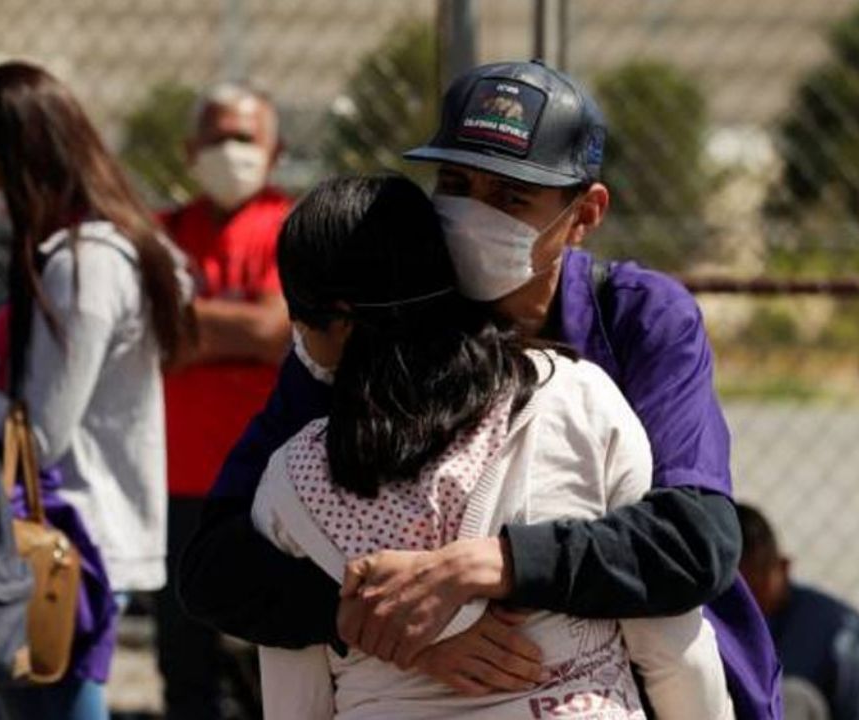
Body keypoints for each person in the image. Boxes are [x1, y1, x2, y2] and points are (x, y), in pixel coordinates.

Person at [179, 59, 782, 719]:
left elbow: (695, 541)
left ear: (585, 214)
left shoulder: (638, 321)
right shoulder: (373, 329)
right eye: (455, 183)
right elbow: (218, 561)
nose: (472, 215)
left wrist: (490, 566)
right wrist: (386, 622)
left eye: (511, 197)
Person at [250, 173, 732, 719]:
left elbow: (296, 702)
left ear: (336, 322)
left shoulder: (292, 482)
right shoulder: (574, 399)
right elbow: (674, 648)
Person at [0, 61, 190, 719]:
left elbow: (42, 433)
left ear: (26, 160)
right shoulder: (92, 252)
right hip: (73, 534)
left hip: (72, 540)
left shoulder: (85, 266)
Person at [155, 82, 292, 720]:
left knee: (273, 659)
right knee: (184, 663)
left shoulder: (290, 228)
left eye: (246, 138)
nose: (230, 151)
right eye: (217, 138)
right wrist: (245, 323)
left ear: (275, 149)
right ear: (189, 150)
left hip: (269, 477)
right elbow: (154, 338)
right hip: (178, 479)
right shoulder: (161, 235)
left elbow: (277, 335)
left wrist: (193, 326)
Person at [739, 503, 859, 720]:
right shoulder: (701, 625)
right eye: (736, 593)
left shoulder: (837, 632)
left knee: (795, 698)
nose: (747, 603)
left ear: (783, 568)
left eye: (756, 588)